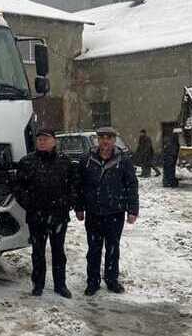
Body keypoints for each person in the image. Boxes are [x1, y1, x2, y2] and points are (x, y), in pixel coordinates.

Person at [75, 127, 139, 296]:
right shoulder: (86, 159)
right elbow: (79, 186)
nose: (105, 141)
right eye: (102, 137)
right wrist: (79, 207)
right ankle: (93, 281)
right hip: (93, 212)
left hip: (114, 212)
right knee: (94, 249)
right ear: (97, 140)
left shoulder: (123, 160)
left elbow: (131, 185)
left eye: (109, 138)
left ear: (114, 140)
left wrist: (132, 209)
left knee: (112, 248)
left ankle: (111, 280)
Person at [14, 129, 76, 298]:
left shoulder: (64, 162)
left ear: (54, 141)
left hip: (59, 216)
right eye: (39, 139)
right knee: (38, 252)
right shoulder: (27, 162)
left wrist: (67, 203)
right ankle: (38, 285)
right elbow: (18, 188)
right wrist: (30, 204)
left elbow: (73, 186)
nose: (41, 141)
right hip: (36, 217)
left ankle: (60, 285)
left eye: (45, 139)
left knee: (58, 252)